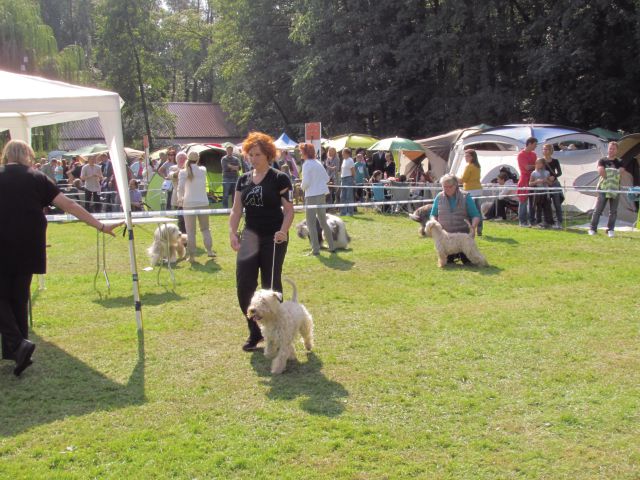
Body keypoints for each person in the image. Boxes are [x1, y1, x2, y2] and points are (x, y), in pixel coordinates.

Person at [0, 140, 121, 377]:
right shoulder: (38, 178)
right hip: (29, 245)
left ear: (6, 155)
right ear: (27, 155)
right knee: (18, 297)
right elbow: (69, 204)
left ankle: (18, 345)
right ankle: (19, 352)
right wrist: (100, 225)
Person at [229, 132, 294, 351]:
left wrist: (283, 231)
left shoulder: (279, 178)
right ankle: (255, 332)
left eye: (258, 154)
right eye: (250, 154)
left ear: (268, 155)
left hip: (273, 237)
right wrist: (232, 232)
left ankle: (278, 332)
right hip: (250, 236)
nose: (253, 158)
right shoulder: (242, 180)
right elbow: (236, 210)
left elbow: (289, 210)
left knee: (271, 285)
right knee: (244, 284)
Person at [429, 174, 481, 264]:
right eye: (444, 186)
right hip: (446, 239)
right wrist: (433, 221)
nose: (447, 189)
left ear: (456, 185)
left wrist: (473, 227)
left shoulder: (466, 197)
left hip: (463, 237)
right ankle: (452, 257)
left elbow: (475, 215)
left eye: (450, 187)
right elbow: (433, 214)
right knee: (448, 262)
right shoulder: (439, 197)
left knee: (470, 262)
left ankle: (463, 256)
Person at [178, 151, 215, 261]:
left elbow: (180, 188)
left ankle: (192, 256)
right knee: (205, 229)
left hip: (188, 204)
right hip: (203, 202)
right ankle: (209, 251)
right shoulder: (203, 170)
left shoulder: (183, 172)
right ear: (197, 159)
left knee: (190, 231)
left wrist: (180, 199)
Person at [299, 142, 335, 255]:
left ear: (305, 153)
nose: (300, 153)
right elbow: (327, 178)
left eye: (301, 151)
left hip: (311, 196)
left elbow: (306, 182)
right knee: (323, 221)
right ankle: (332, 246)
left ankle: (315, 249)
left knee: (310, 223)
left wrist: (301, 187)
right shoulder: (318, 163)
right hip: (321, 195)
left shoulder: (306, 165)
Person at [589, 141, 626, 237]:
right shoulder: (602, 160)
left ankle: (610, 229)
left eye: (613, 149)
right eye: (610, 148)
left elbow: (622, 171)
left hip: (615, 188)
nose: (611, 150)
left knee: (613, 211)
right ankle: (592, 228)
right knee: (598, 209)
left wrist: (610, 172)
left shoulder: (620, 161)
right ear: (607, 149)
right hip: (603, 188)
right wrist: (613, 174)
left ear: (617, 150)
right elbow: (601, 171)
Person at [460, 148, 484, 236]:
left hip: (470, 191)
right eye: (465, 156)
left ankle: (470, 229)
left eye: (467, 156)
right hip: (478, 190)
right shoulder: (478, 166)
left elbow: (463, 180)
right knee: (478, 211)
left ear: (472, 157)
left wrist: (454, 177)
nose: (465, 158)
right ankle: (480, 229)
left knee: (470, 211)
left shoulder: (469, 166)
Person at [541, 143, 564, 229]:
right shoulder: (541, 161)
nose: (544, 151)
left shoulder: (555, 161)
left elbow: (559, 172)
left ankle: (559, 222)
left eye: (546, 149)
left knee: (557, 203)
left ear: (551, 151)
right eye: (543, 149)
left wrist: (554, 176)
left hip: (554, 184)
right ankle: (547, 221)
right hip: (545, 184)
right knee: (545, 203)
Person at [517, 137, 538, 227]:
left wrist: (535, 166)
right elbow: (527, 167)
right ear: (529, 144)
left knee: (533, 202)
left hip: (533, 180)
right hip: (524, 180)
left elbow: (533, 166)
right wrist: (537, 166)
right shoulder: (521, 155)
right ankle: (522, 221)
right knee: (523, 202)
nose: (535, 146)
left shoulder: (534, 154)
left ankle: (532, 221)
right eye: (534, 144)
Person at [529, 158, 554, 228]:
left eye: (539, 163)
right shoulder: (533, 173)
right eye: (536, 163)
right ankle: (538, 222)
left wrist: (546, 181)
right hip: (538, 193)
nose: (538, 165)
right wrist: (536, 182)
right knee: (538, 208)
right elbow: (530, 183)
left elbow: (550, 183)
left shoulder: (547, 172)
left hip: (546, 192)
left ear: (543, 164)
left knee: (547, 207)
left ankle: (548, 222)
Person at [168, 151, 187, 233]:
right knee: (181, 220)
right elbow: (172, 176)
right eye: (180, 158)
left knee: (188, 219)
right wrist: (181, 170)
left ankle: (188, 238)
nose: (182, 159)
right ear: (177, 159)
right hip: (177, 198)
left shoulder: (189, 168)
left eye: (184, 158)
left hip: (188, 197)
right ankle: (181, 237)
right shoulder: (172, 168)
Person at [339, 148, 355, 216]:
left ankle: (350, 212)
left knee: (349, 196)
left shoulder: (350, 160)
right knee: (342, 196)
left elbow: (353, 171)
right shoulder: (344, 160)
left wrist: (352, 179)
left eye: (343, 152)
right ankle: (343, 212)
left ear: (347, 153)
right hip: (343, 179)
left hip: (348, 178)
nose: (342, 154)